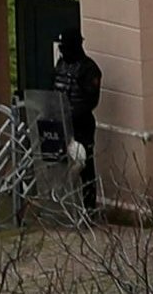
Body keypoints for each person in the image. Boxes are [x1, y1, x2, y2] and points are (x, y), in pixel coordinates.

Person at [52, 32, 104, 212]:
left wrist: (72, 113)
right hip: (61, 123)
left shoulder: (89, 69)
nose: (62, 51)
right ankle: (62, 204)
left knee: (86, 167)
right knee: (59, 163)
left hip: (81, 124)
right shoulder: (60, 65)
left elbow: (91, 100)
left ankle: (89, 208)